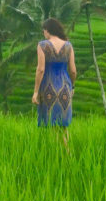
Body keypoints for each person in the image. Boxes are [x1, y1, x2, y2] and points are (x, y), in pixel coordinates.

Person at [32, 18, 77, 149]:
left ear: (47, 31)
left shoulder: (42, 45)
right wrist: (72, 86)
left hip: (48, 88)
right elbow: (73, 71)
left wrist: (35, 92)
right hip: (64, 87)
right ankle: (66, 156)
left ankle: (61, 155)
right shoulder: (68, 46)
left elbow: (40, 69)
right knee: (63, 126)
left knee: (51, 124)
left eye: (44, 31)